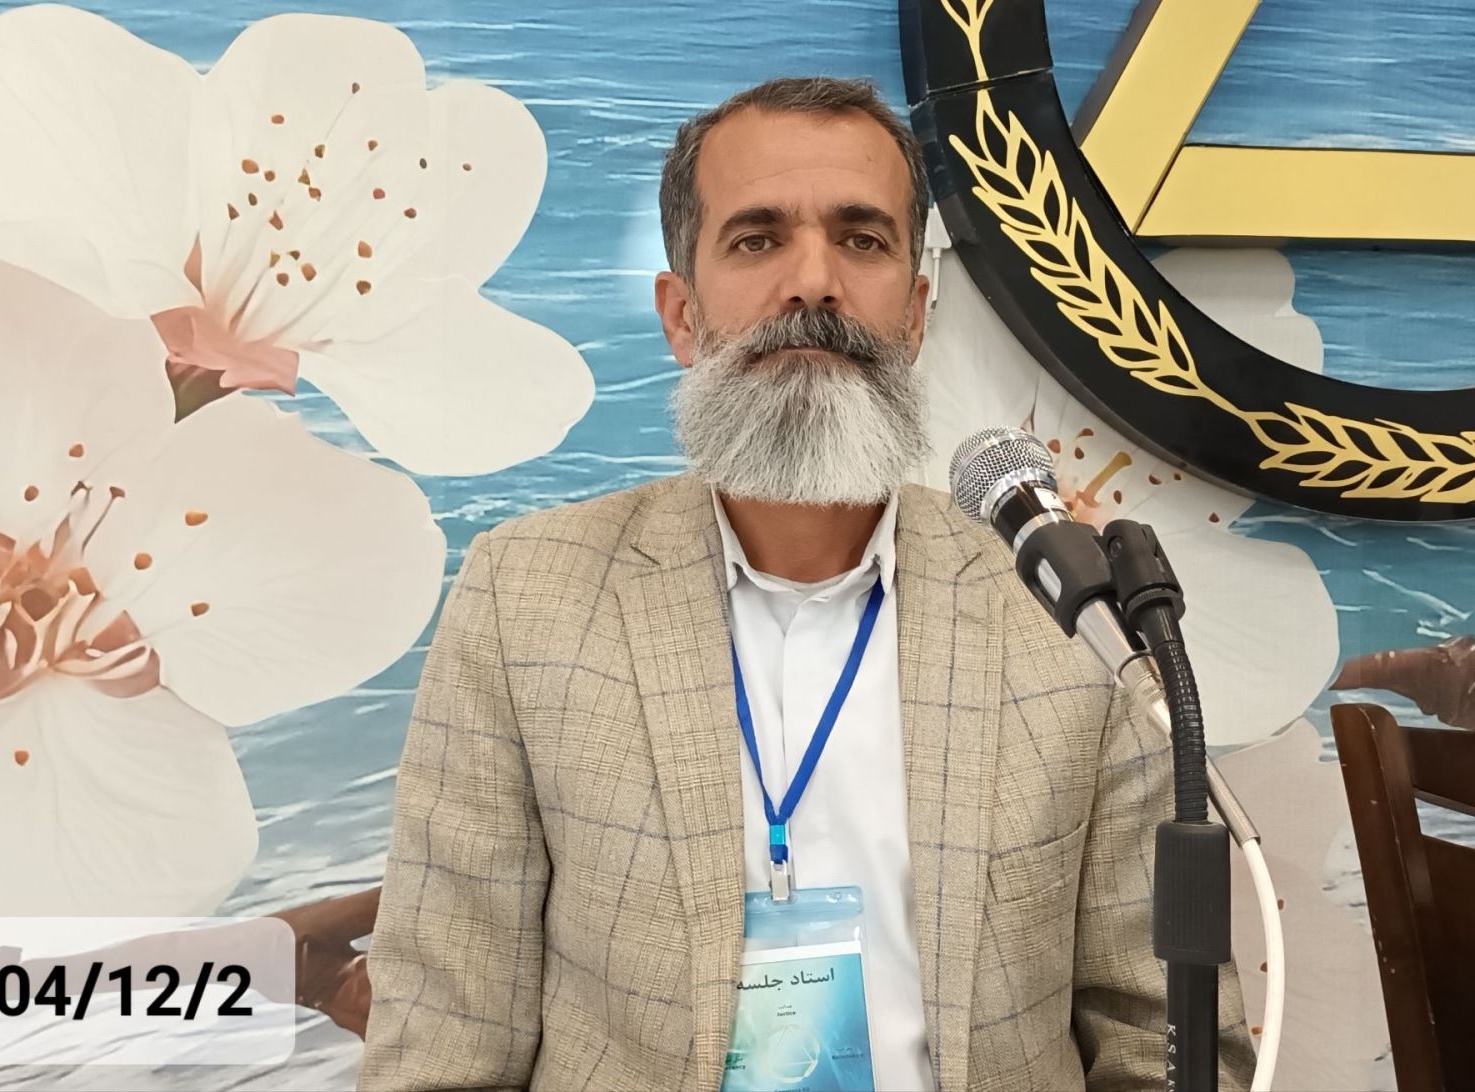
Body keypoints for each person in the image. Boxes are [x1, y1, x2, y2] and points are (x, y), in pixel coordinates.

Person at [359, 76, 1255, 1091]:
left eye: (862, 240)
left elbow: (1161, 1038)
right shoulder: (523, 600)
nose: (813, 283)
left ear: (915, 316)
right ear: (681, 316)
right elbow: (445, 1041)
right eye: (757, 240)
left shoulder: (1063, 616)